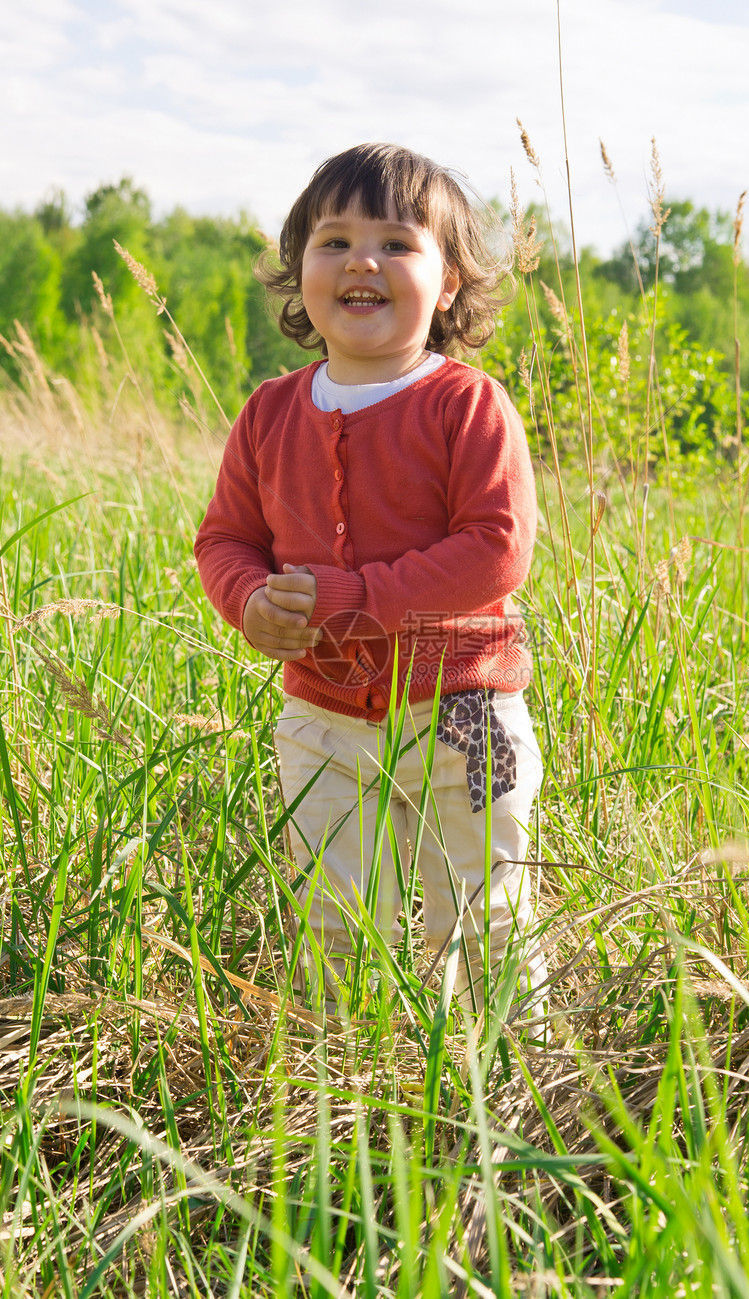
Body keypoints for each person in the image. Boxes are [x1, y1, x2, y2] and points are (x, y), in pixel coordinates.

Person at [194, 142, 548, 1025]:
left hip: (465, 706)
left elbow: (497, 548)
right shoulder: (272, 412)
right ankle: (342, 1086)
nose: (363, 261)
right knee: (334, 911)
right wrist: (249, 602)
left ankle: (513, 1086)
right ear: (299, 269)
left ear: (452, 280)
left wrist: (354, 598)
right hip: (322, 714)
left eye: (397, 243)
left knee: (485, 908)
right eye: (334, 240)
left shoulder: (466, 404)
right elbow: (227, 537)